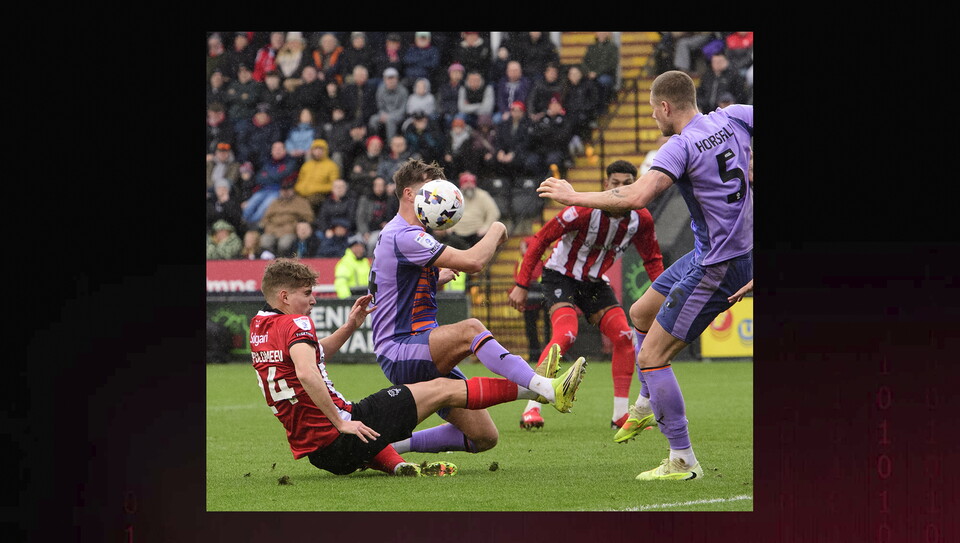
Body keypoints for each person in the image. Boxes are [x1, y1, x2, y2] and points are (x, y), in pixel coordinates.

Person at [536, 70, 753, 481]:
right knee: (640, 312)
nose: (653, 118)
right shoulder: (735, 115)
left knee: (652, 358)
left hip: (718, 264)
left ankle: (682, 459)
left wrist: (572, 194)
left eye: (654, 111)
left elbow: (635, 197)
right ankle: (646, 402)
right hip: (712, 252)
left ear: (666, 107)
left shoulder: (680, 146)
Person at [367, 157, 588, 460]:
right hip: (401, 347)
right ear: (408, 194)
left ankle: (388, 448)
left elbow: (396, 288)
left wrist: (433, 279)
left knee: (483, 437)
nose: (439, 193)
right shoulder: (405, 235)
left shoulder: (403, 234)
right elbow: (473, 262)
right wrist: (497, 229)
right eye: (430, 187)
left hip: (414, 344)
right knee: (471, 329)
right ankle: (544, 387)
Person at [249, 258, 452, 476]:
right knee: (445, 388)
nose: (313, 300)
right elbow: (306, 373)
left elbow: (315, 354)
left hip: (318, 453)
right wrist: (340, 423)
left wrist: (350, 326)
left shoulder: (259, 325)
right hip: (339, 431)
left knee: (365, 435)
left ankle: (398, 466)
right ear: (285, 297)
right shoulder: (296, 322)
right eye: (307, 293)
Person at [509, 159, 665, 430]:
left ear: (636, 186)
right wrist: (522, 284)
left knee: (624, 337)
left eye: (627, 184)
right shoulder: (582, 211)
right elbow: (541, 238)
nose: (620, 189)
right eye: (615, 184)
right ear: (606, 185)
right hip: (561, 276)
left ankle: (620, 416)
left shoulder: (641, 219)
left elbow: (652, 259)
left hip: (594, 282)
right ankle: (532, 408)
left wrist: (663, 296)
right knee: (566, 334)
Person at [241, 140, 300, 230]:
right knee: (249, 206)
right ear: (272, 151)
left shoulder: (290, 162)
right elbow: (259, 178)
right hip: (263, 189)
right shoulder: (267, 162)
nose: (277, 151)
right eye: (275, 149)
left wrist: (268, 175)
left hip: (277, 191)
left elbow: (281, 176)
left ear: (285, 151)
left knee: (263, 209)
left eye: (280, 148)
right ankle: (244, 226)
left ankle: (252, 227)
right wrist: (273, 176)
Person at [258, 177, 316, 257]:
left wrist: (298, 224)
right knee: (265, 241)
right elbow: (265, 218)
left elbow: (309, 218)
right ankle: (270, 259)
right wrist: (267, 226)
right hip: (272, 229)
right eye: (283, 190)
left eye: (288, 190)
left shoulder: (300, 202)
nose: (285, 192)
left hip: (290, 230)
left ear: (292, 190)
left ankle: (283, 260)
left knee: (284, 244)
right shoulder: (275, 203)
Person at [447, 171, 500, 247]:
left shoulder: (483, 195)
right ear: (461, 184)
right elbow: (446, 213)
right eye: (466, 182)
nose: (469, 185)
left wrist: (486, 227)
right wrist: (448, 227)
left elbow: (494, 213)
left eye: (471, 182)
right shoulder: (454, 196)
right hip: (457, 233)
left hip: (477, 233)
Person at [294, 138, 341, 211]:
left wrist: (315, 188)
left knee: (307, 203)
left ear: (325, 150)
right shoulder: (306, 165)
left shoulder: (331, 166)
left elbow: (334, 185)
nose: (318, 151)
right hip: (302, 193)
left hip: (320, 195)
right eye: (315, 149)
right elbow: (299, 181)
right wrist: (300, 189)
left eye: (320, 149)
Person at [355, 175, 394, 256]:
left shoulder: (390, 200)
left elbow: (392, 216)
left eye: (381, 185)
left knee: (372, 243)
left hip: (381, 230)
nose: (379, 188)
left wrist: (387, 224)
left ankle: (371, 261)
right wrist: (364, 232)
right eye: (377, 185)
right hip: (366, 229)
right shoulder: (365, 199)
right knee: (356, 241)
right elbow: (360, 218)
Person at [581, 31, 619, 113]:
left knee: (603, 81)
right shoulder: (591, 47)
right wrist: (588, 72)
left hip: (606, 75)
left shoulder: (612, 47)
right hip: (591, 75)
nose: (601, 34)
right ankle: (587, 109)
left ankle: (602, 107)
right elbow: (584, 62)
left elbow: (611, 64)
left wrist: (596, 73)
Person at [368, 67, 409, 141]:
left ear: (397, 79)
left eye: (393, 78)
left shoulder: (403, 91)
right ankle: (375, 142)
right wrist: (382, 114)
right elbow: (380, 106)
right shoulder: (380, 90)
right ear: (384, 79)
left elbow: (403, 109)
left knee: (390, 121)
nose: (391, 81)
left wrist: (390, 116)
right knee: (373, 119)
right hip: (384, 114)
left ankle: (391, 143)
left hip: (398, 115)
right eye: (388, 79)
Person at [340, 64, 378, 129]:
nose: (361, 78)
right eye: (359, 76)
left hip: (366, 120)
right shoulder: (348, 89)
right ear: (354, 76)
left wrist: (361, 120)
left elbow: (373, 108)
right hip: (350, 119)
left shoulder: (372, 89)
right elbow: (345, 106)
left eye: (363, 75)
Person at [437, 63, 465, 132]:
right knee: (446, 118)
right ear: (449, 74)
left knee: (460, 118)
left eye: (459, 72)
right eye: (454, 72)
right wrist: (446, 110)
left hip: (460, 111)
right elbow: (441, 101)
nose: (456, 74)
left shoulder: (465, 87)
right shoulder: (444, 87)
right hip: (446, 111)